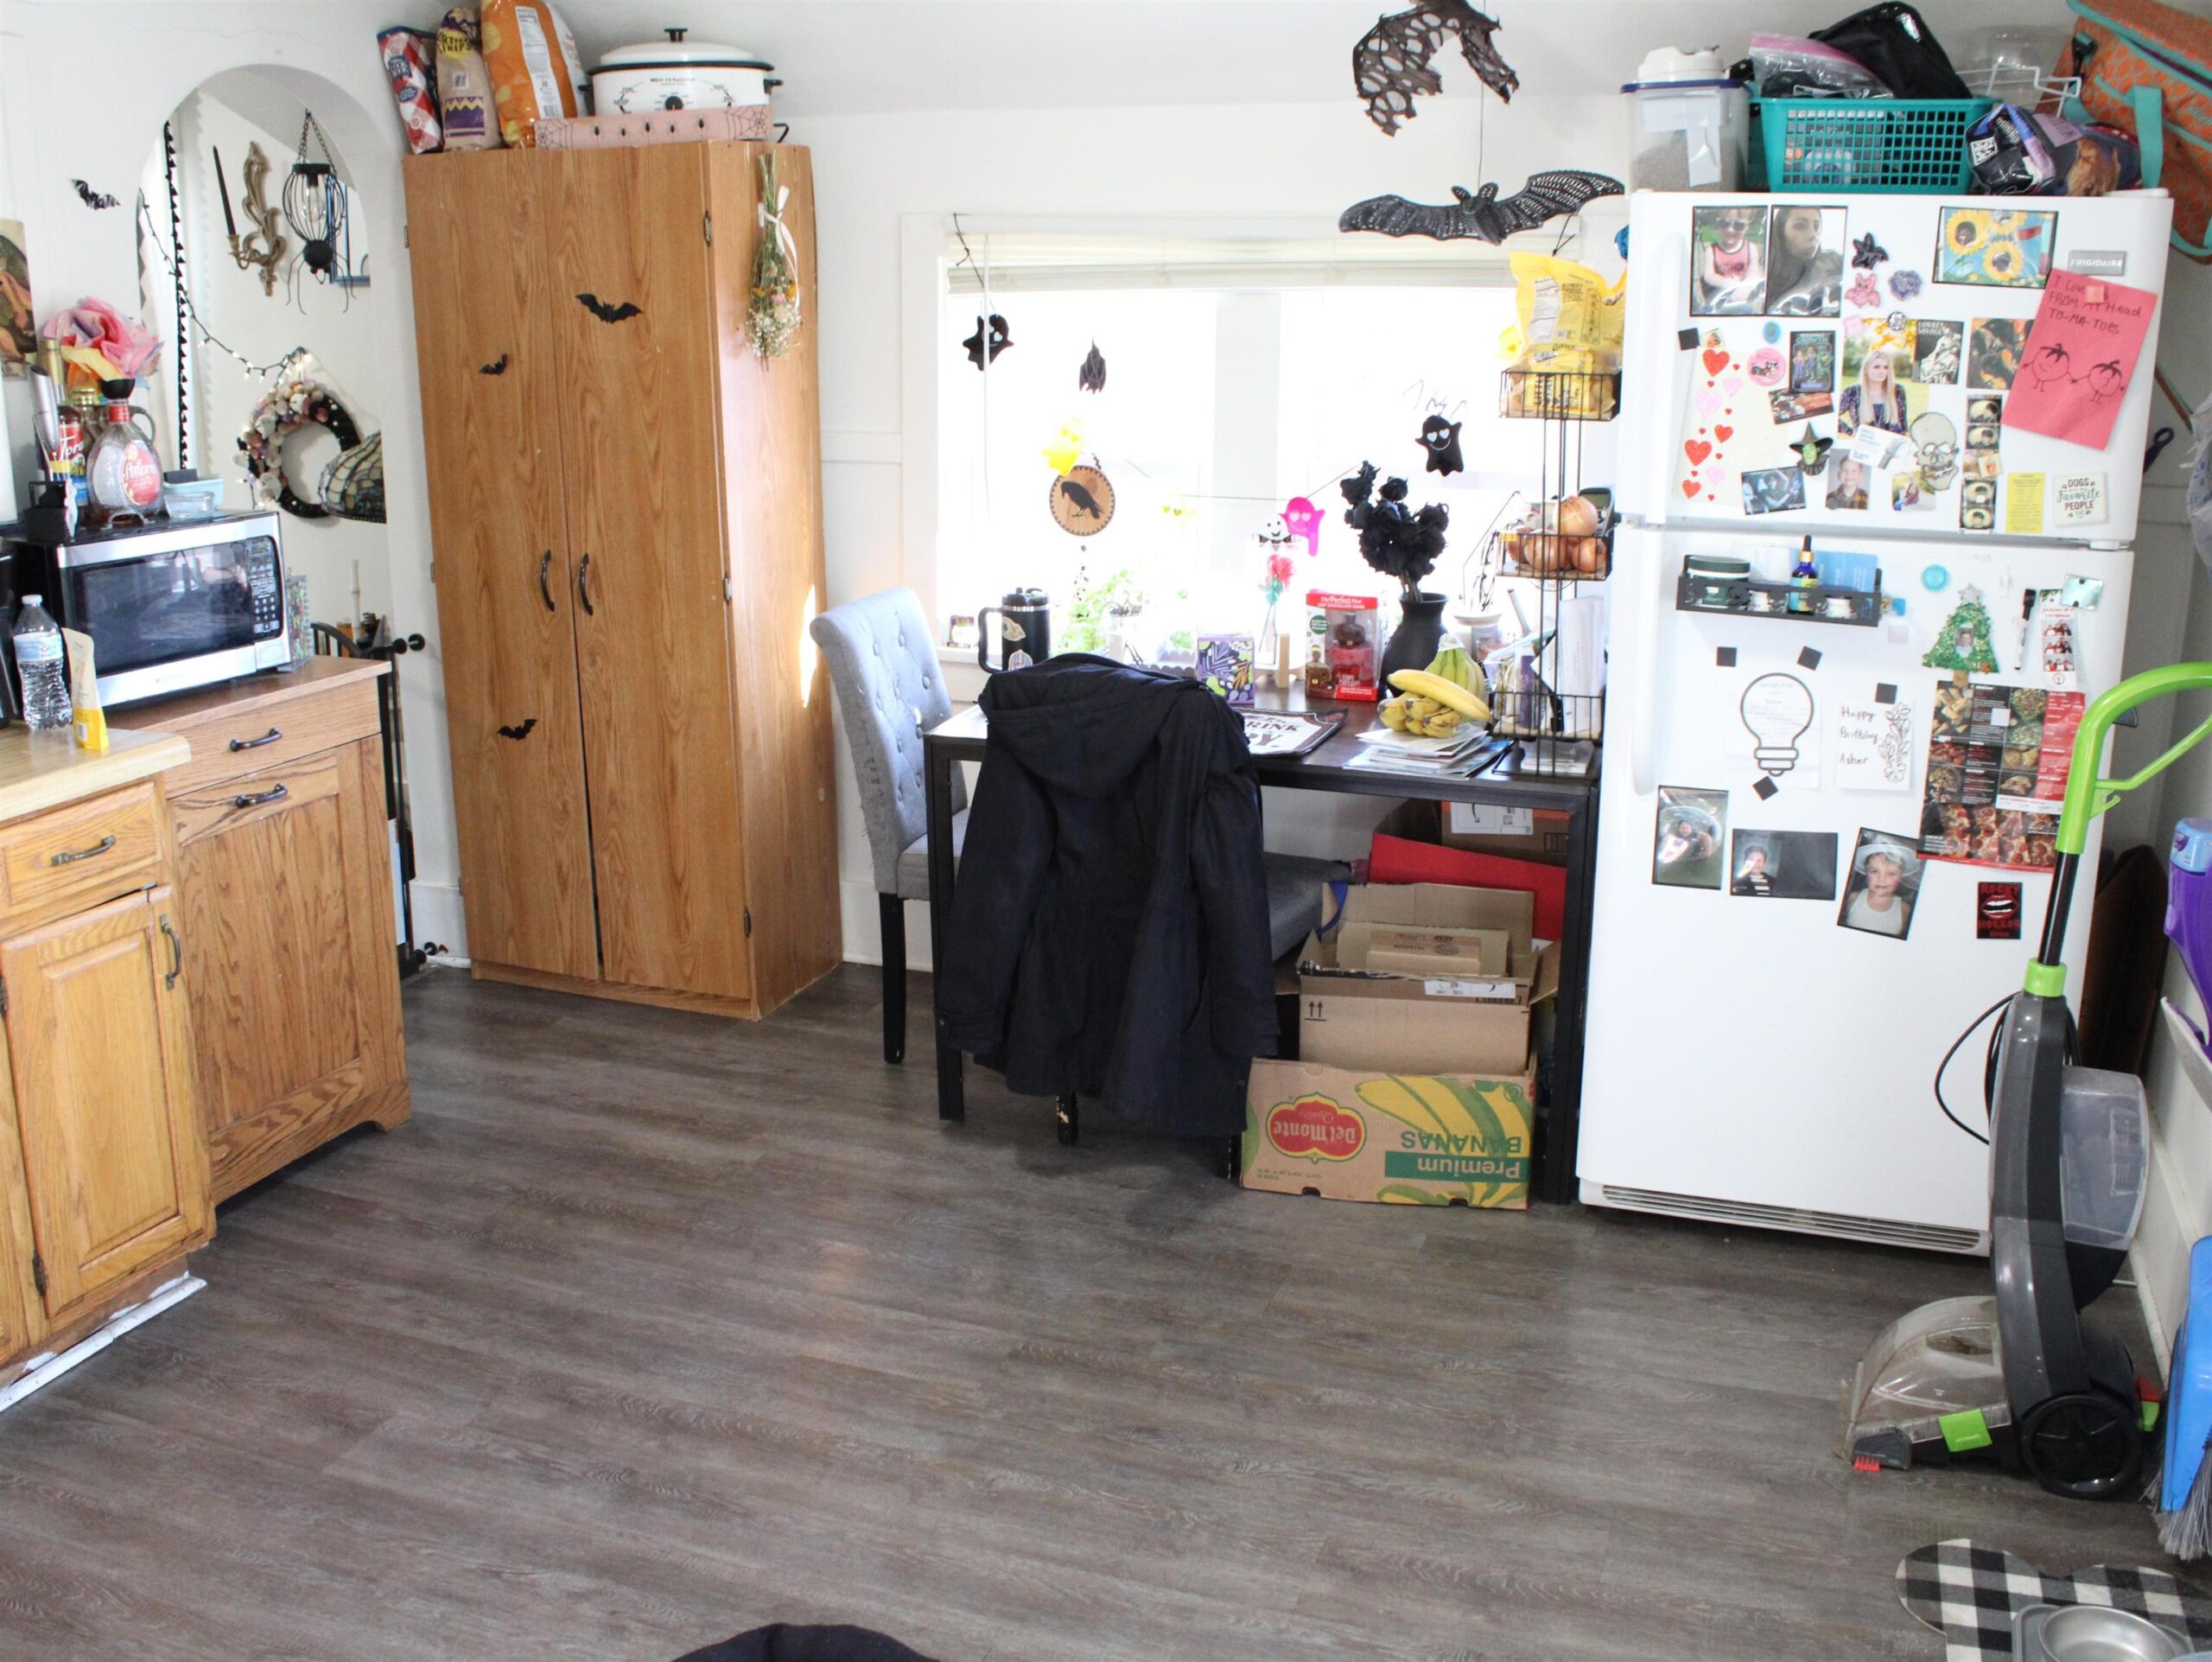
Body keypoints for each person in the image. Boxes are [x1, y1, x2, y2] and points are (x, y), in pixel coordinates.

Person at [1765, 207, 1841, 315]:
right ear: (1780, 232)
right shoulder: (1764, 273)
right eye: (1800, 226)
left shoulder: (1834, 266)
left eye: (1816, 227)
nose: (1812, 235)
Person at [1697, 210, 1764, 313]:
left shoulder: (1751, 248)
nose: (1730, 229)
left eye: (1739, 225)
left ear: (1748, 226)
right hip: (1718, 301)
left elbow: (1754, 274)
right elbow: (1709, 276)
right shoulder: (1712, 250)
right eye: (1724, 224)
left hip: (1742, 299)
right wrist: (1730, 284)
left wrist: (1745, 287)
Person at [1842, 844, 1914, 937]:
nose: (1881, 879)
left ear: (1901, 877)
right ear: (1866, 873)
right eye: (1874, 871)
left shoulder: (1904, 909)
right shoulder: (1853, 898)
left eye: (1891, 873)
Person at [1838, 348, 1910, 436]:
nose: (1882, 371)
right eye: (1876, 367)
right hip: (1864, 442)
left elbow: (1903, 426)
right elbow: (1831, 417)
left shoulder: (1898, 390)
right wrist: (1851, 432)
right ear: (1866, 369)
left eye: (1886, 367)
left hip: (1892, 442)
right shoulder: (1853, 392)